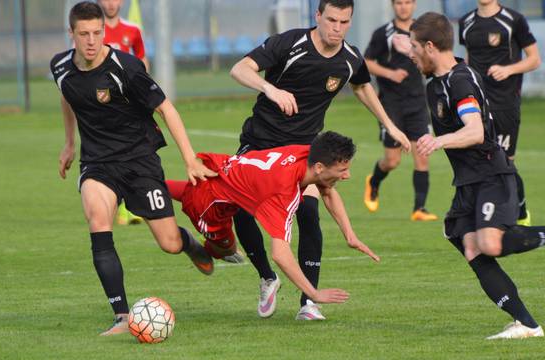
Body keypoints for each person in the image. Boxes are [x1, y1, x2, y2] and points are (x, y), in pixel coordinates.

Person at [408, 12, 545, 339]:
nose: (410, 53)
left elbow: (475, 131)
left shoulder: (459, 81)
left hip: (491, 173)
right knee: (470, 247)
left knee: (489, 244)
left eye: (413, 47)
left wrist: (438, 141)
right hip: (468, 179)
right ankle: (527, 324)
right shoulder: (438, 81)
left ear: (430, 46)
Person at [229, 0, 410, 320]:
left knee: (309, 213)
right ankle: (267, 277)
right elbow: (239, 69)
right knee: (242, 212)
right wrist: (270, 89)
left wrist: (390, 125)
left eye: (344, 22)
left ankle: (308, 303)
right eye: (331, 20)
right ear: (317, 17)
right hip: (260, 143)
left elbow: (363, 87)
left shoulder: (350, 57)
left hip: (303, 151)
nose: (336, 29)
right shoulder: (290, 43)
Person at [51, 2, 216, 336]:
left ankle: (188, 243)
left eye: (97, 32)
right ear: (72, 34)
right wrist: (70, 142)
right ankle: (122, 316)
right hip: (98, 164)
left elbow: (167, 110)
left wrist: (189, 159)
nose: (92, 40)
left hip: (140, 162)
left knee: (168, 243)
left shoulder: (125, 68)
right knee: (98, 221)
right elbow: (67, 96)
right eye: (84, 34)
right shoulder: (60, 67)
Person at [166, 132, 380, 315]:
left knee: (157, 189)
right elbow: (280, 254)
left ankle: (139, 190)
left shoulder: (306, 152)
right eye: (342, 170)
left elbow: (327, 191)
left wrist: (350, 236)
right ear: (319, 167)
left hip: (219, 174)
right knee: (224, 248)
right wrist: (313, 294)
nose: (347, 176)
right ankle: (193, 245)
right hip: (208, 206)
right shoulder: (283, 193)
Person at [458, 0, 541, 226]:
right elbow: (468, 58)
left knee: (504, 161)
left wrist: (508, 69)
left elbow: (534, 59)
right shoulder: (466, 22)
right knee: (477, 159)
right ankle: (484, 213)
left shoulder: (513, 20)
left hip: (505, 103)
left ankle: (521, 210)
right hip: (476, 104)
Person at [363, 0, 437, 221]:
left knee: (422, 155)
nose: (403, 7)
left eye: (407, 2)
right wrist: (389, 74)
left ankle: (419, 209)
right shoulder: (383, 33)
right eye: (399, 3)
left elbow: (433, 59)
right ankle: (373, 181)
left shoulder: (423, 33)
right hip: (390, 104)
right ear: (393, 6)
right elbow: (366, 62)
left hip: (417, 103)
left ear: (414, 5)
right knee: (392, 161)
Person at [98, 0, 150, 224]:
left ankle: (131, 206)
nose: (110, 4)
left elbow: (142, 59)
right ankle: (115, 204)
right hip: (103, 105)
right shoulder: (94, 30)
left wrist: (144, 88)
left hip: (128, 104)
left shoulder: (132, 29)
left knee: (134, 152)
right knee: (108, 153)